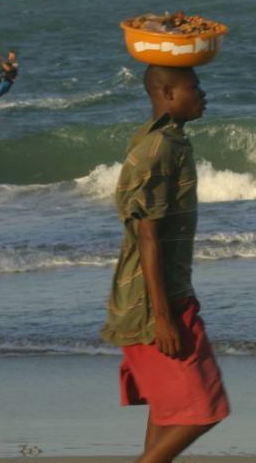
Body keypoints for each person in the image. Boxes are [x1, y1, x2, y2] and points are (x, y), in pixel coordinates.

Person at [100, 65, 230, 463]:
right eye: (195, 87)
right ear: (168, 93)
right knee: (205, 409)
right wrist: (163, 317)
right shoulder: (157, 150)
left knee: (167, 407)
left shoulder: (169, 140)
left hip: (165, 295)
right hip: (150, 305)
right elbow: (148, 235)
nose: (203, 93)